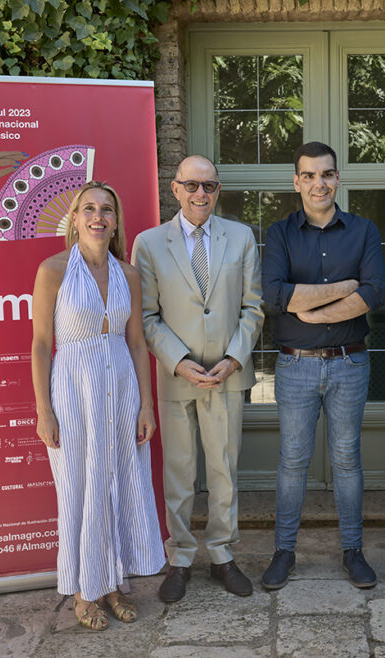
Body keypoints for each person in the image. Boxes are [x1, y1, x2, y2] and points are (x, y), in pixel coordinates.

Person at [31, 181, 165, 631]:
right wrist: (43, 410)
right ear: (74, 218)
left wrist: (147, 406)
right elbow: (41, 344)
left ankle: (110, 584)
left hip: (122, 391)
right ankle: (85, 592)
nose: (98, 216)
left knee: (118, 486)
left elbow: (137, 343)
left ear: (116, 220)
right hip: (73, 393)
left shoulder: (128, 274)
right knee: (80, 489)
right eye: (88, 208)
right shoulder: (52, 270)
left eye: (107, 209)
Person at [131, 155, 263, 602]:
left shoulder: (241, 237)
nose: (200, 194)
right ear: (175, 189)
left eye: (208, 186)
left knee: (224, 471)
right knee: (180, 473)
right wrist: (179, 360)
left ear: (218, 190)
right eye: (192, 186)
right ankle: (182, 558)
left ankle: (223, 555)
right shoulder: (149, 243)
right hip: (177, 376)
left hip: (227, 375)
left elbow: (253, 308)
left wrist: (234, 358)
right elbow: (146, 317)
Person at [260, 141, 385, 590]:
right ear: (297, 182)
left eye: (327, 174)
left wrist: (311, 309)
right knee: (293, 461)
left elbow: (373, 291)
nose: (320, 183)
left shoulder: (364, 230)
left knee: (348, 460)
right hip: (295, 366)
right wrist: (343, 288)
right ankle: (284, 552)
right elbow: (276, 295)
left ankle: (353, 551)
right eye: (310, 175)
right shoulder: (279, 233)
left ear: (338, 178)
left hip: (349, 363)